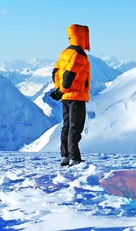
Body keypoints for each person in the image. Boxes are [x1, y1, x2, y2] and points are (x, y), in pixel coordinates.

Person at [50, 24, 91, 166]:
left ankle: (65, 156)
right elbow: (69, 75)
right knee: (75, 127)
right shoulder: (78, 54)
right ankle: (74, 158)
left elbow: (56, 72)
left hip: (66, 97)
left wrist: (58, 90)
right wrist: (62, 90)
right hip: (76, 96)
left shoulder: (64, 53)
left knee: (66, 126)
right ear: (82, 37)